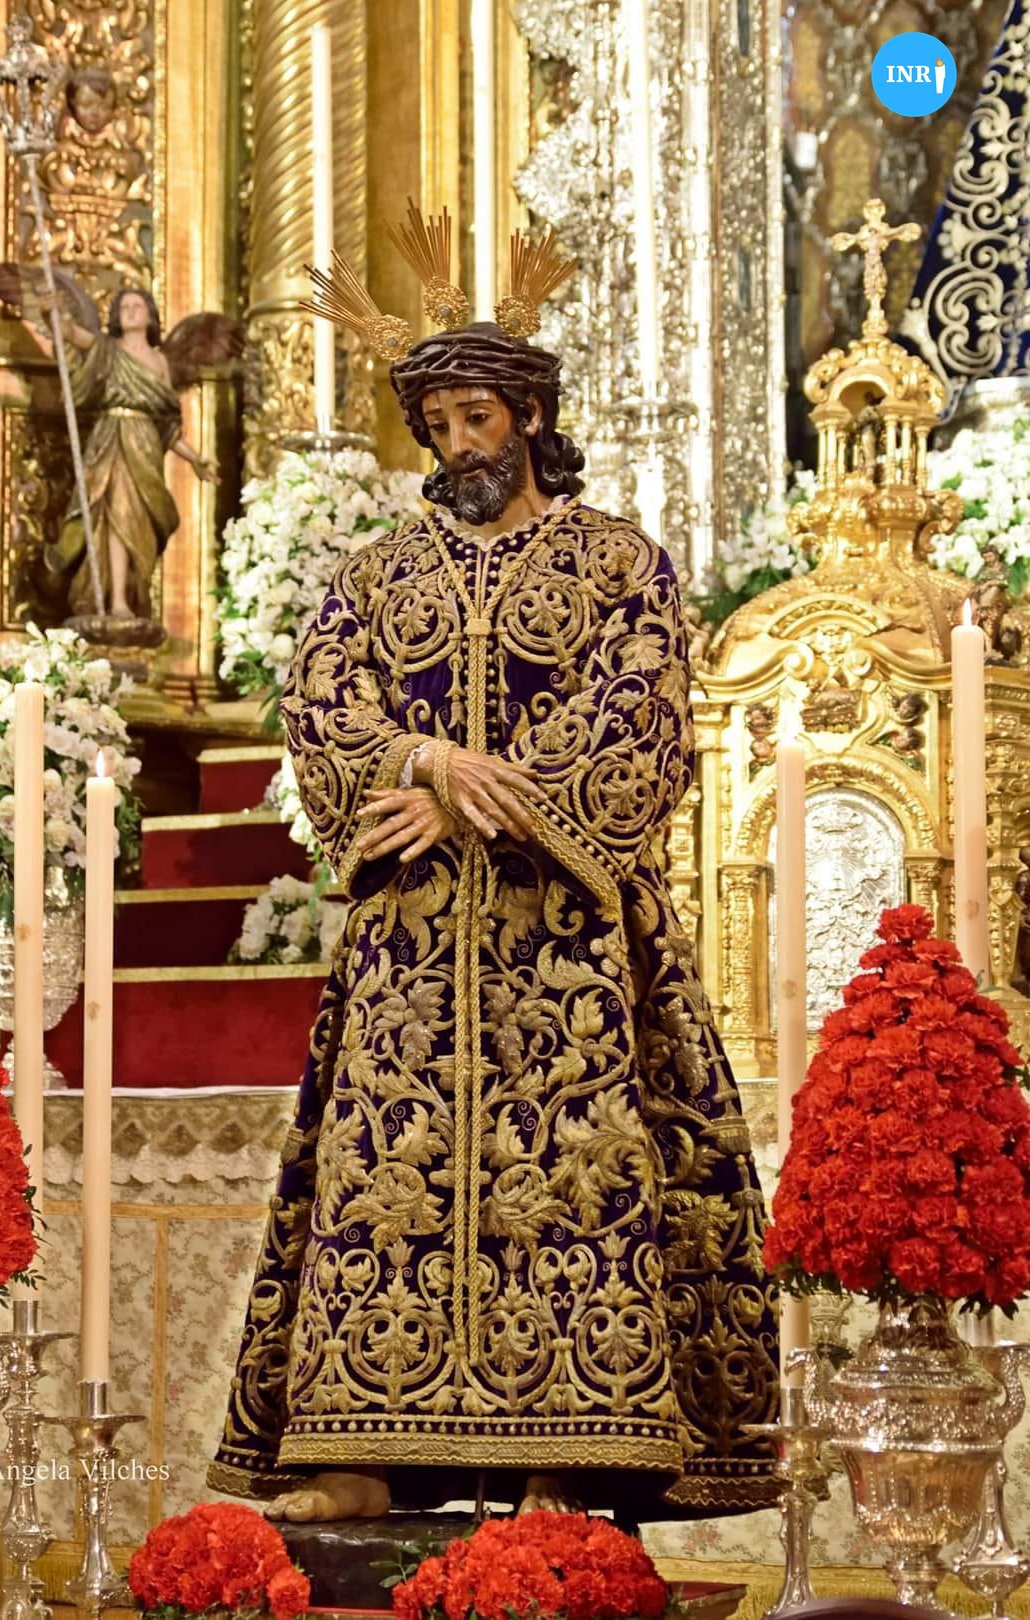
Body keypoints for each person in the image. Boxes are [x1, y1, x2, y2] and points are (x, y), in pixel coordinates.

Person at [209, 225, 778, 1524]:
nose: (459, 444)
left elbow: (639, 711)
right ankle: (360, 1453)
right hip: (412, 950)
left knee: (569, 1182)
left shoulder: (617, 563)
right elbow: (322, 703)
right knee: (382, 1186)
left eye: (478, 418)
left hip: (565, 940)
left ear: (529, 415)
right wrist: (419, 757)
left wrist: (472, 796)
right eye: (438, 425)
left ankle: (565, 1463)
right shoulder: (377, 576)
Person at [36, 286, 218, 620]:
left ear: (150, 316)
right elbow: (69, 333)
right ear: (117, 318)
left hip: (145, 446)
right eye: (124, 307)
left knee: (137, 522)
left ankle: (132, 594)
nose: (131, 311)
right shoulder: (107, 348)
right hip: (112, 439)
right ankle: (114, 599)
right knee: (113, 515)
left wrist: (194, 459)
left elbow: (167, 426)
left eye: (137, 306)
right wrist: (52, 312)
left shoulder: (160, 362)